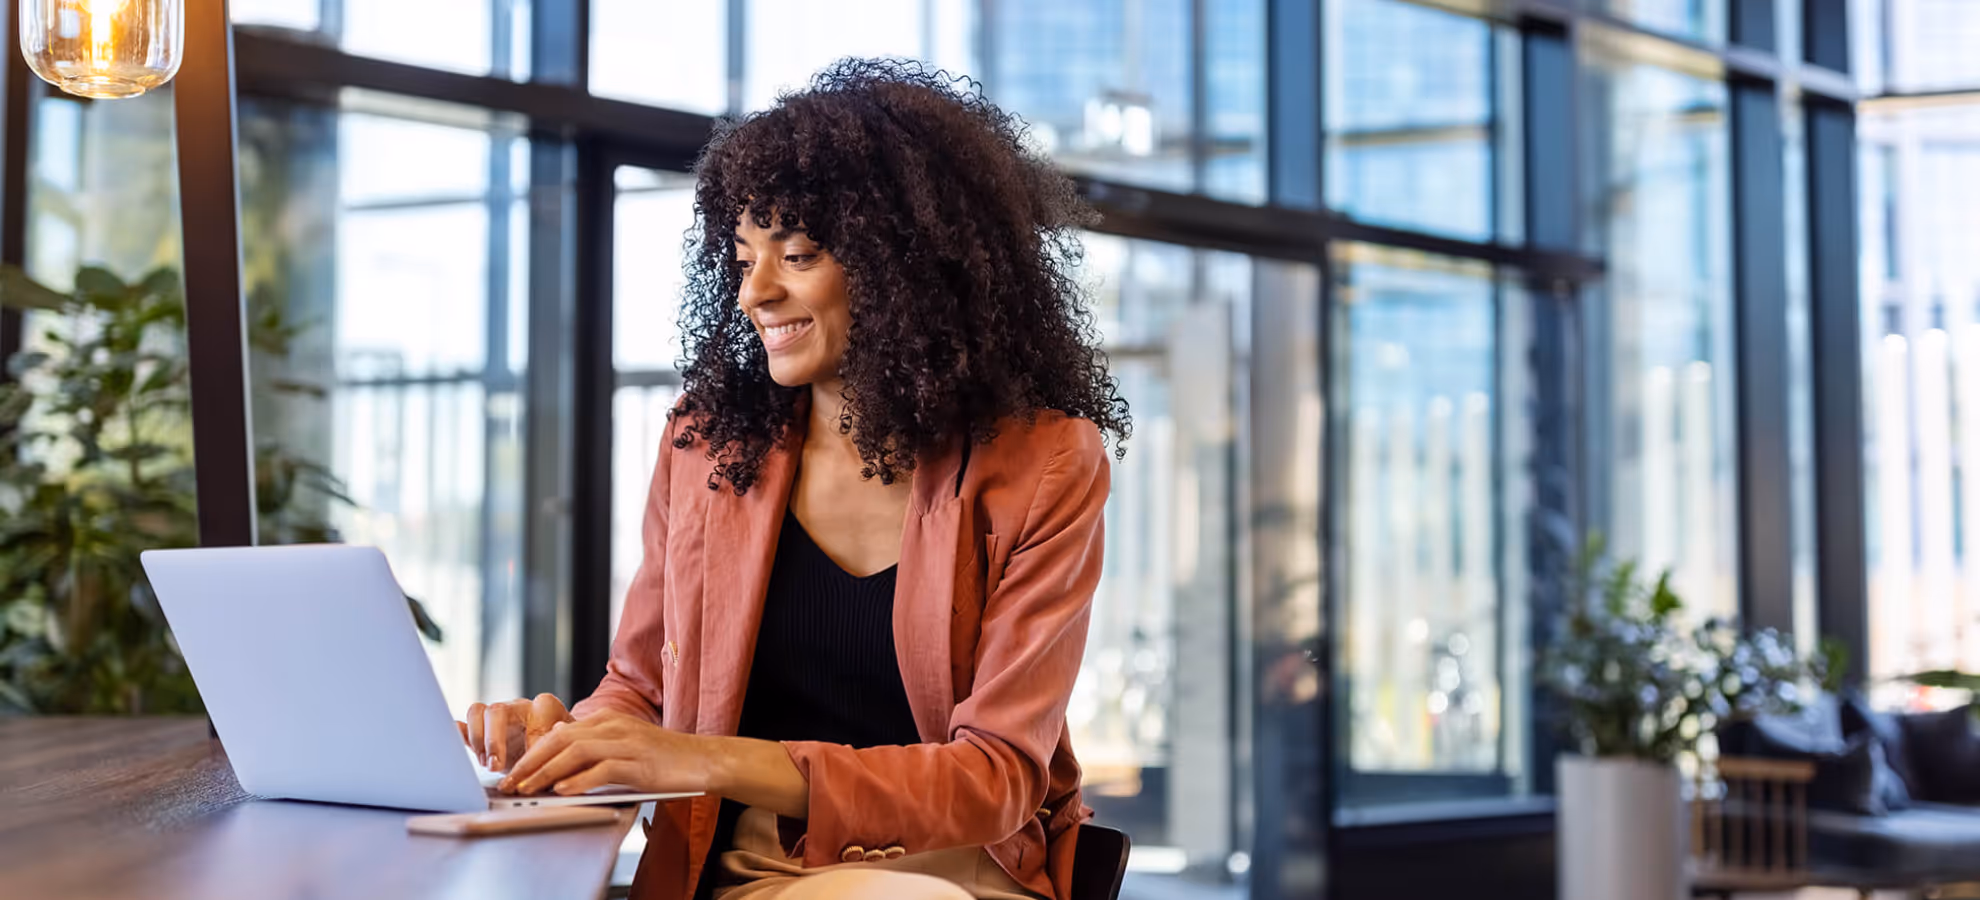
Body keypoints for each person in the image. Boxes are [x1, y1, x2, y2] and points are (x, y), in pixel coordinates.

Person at [458, 58, 1130, 900]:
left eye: (798, 254)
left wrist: (705, 757)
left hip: (948, 872)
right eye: (743, 257)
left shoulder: (1044, 463)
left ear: (905, 270)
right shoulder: (708, 445)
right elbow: (640, 689)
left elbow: (996, 776)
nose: (754, 291)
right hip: (742, 868)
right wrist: (564, 740)